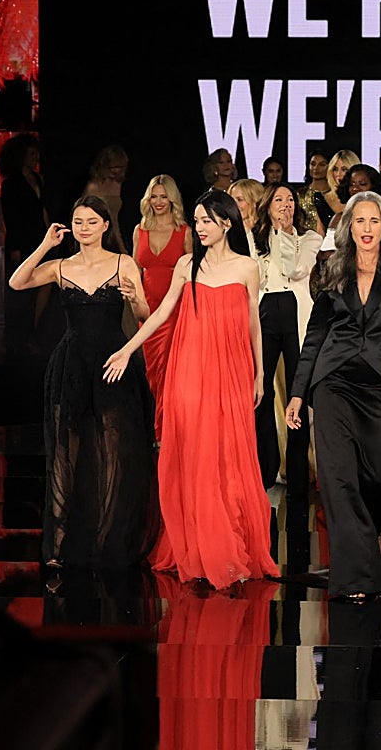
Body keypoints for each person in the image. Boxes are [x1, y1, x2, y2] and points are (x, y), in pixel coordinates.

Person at [103, 190, 278, 589]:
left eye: (205, 222)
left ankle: (230, 540)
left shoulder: (248, 267)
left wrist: (259, 374)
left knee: (228, 456)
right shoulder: (186, 265)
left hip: (232, 371)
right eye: (196, 221)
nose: (198, 228)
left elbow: (253, 322)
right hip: (190, 369)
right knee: (196, 454)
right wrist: (128, 349)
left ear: (226, 223)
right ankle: (202, 545)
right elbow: (163, 312)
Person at [8, 195, 158, 569]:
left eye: (92, 221)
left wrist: (133, 298)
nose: (84, 228)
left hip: (112, 362)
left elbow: (145, 313)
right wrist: (45, 245)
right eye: (78, 222)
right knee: (67, 451)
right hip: (72, 363)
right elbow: (16, 282)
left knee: (113, 449)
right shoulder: (61, 266)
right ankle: (61, 545)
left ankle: (110, 541)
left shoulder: (123, 262)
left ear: (106, 226)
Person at [286, 191, 381, 602]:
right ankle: (358, 576)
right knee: (338, 477)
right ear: (349, 227)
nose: (366, 228)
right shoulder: (331, 267)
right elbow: (315, 333)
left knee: (380, 475)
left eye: (374, 221)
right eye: (359, 221)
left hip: (380, 384)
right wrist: (297, 392)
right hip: (333, 381)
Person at [252, 183, 323, 489]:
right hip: (265, 311)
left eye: (290, 200)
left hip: (296, 314)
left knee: (298, 390)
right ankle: (265, 467)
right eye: (278, 200)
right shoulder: (254, 240)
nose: (285, 205)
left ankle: (298, 471)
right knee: (262, 391)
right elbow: (256, 278)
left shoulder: (309, 238)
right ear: (267, 205)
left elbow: (296, 270)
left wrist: (283, 234)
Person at [132, 174, 192, 440]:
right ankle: (165, 428)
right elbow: (134, 269)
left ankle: (164, 433)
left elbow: (191, 273)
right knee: (153, 373)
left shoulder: (185, 231)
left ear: (172, 199)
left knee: (170, 371)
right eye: (154, 196)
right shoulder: (140, 229)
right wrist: (133, 299)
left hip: (174, 310)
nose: (158, 201)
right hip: (146, 311)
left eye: (163, 196)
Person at [0, 131, 50, 355]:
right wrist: (17, 248)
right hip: (23, 241)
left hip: (40, 239)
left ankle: (32, 331)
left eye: (37, 153)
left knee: (44, 285)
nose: (35, 157)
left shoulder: (37, 179)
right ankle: (16, 337)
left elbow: (43, 209)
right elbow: (11, 216)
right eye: (31, 153)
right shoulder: (12, 183)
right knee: (21, 290)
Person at [299, 148, 330, 236]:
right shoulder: (299, 195)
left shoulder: (335, 195)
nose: (316, 168)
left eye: (322, 164)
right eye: (313, 164)